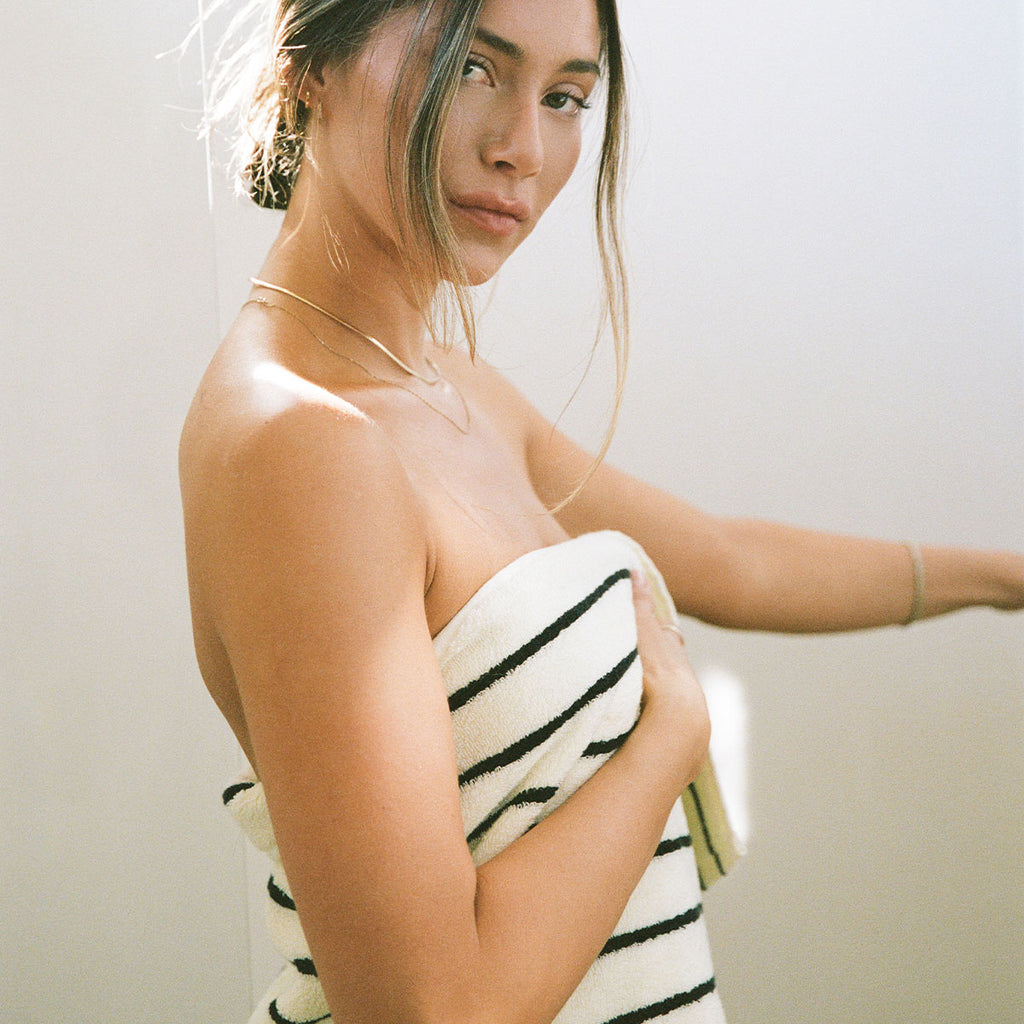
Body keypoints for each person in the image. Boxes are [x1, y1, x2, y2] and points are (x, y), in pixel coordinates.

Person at [179, 1, 1024, 1022]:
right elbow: (432, 1012)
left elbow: (731, 561)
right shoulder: (305, 445)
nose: (522, 149)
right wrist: (670, 737)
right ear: (313, 61)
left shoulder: (449, 390)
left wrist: (1006, 579)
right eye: (473, 67)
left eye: (566, 96)